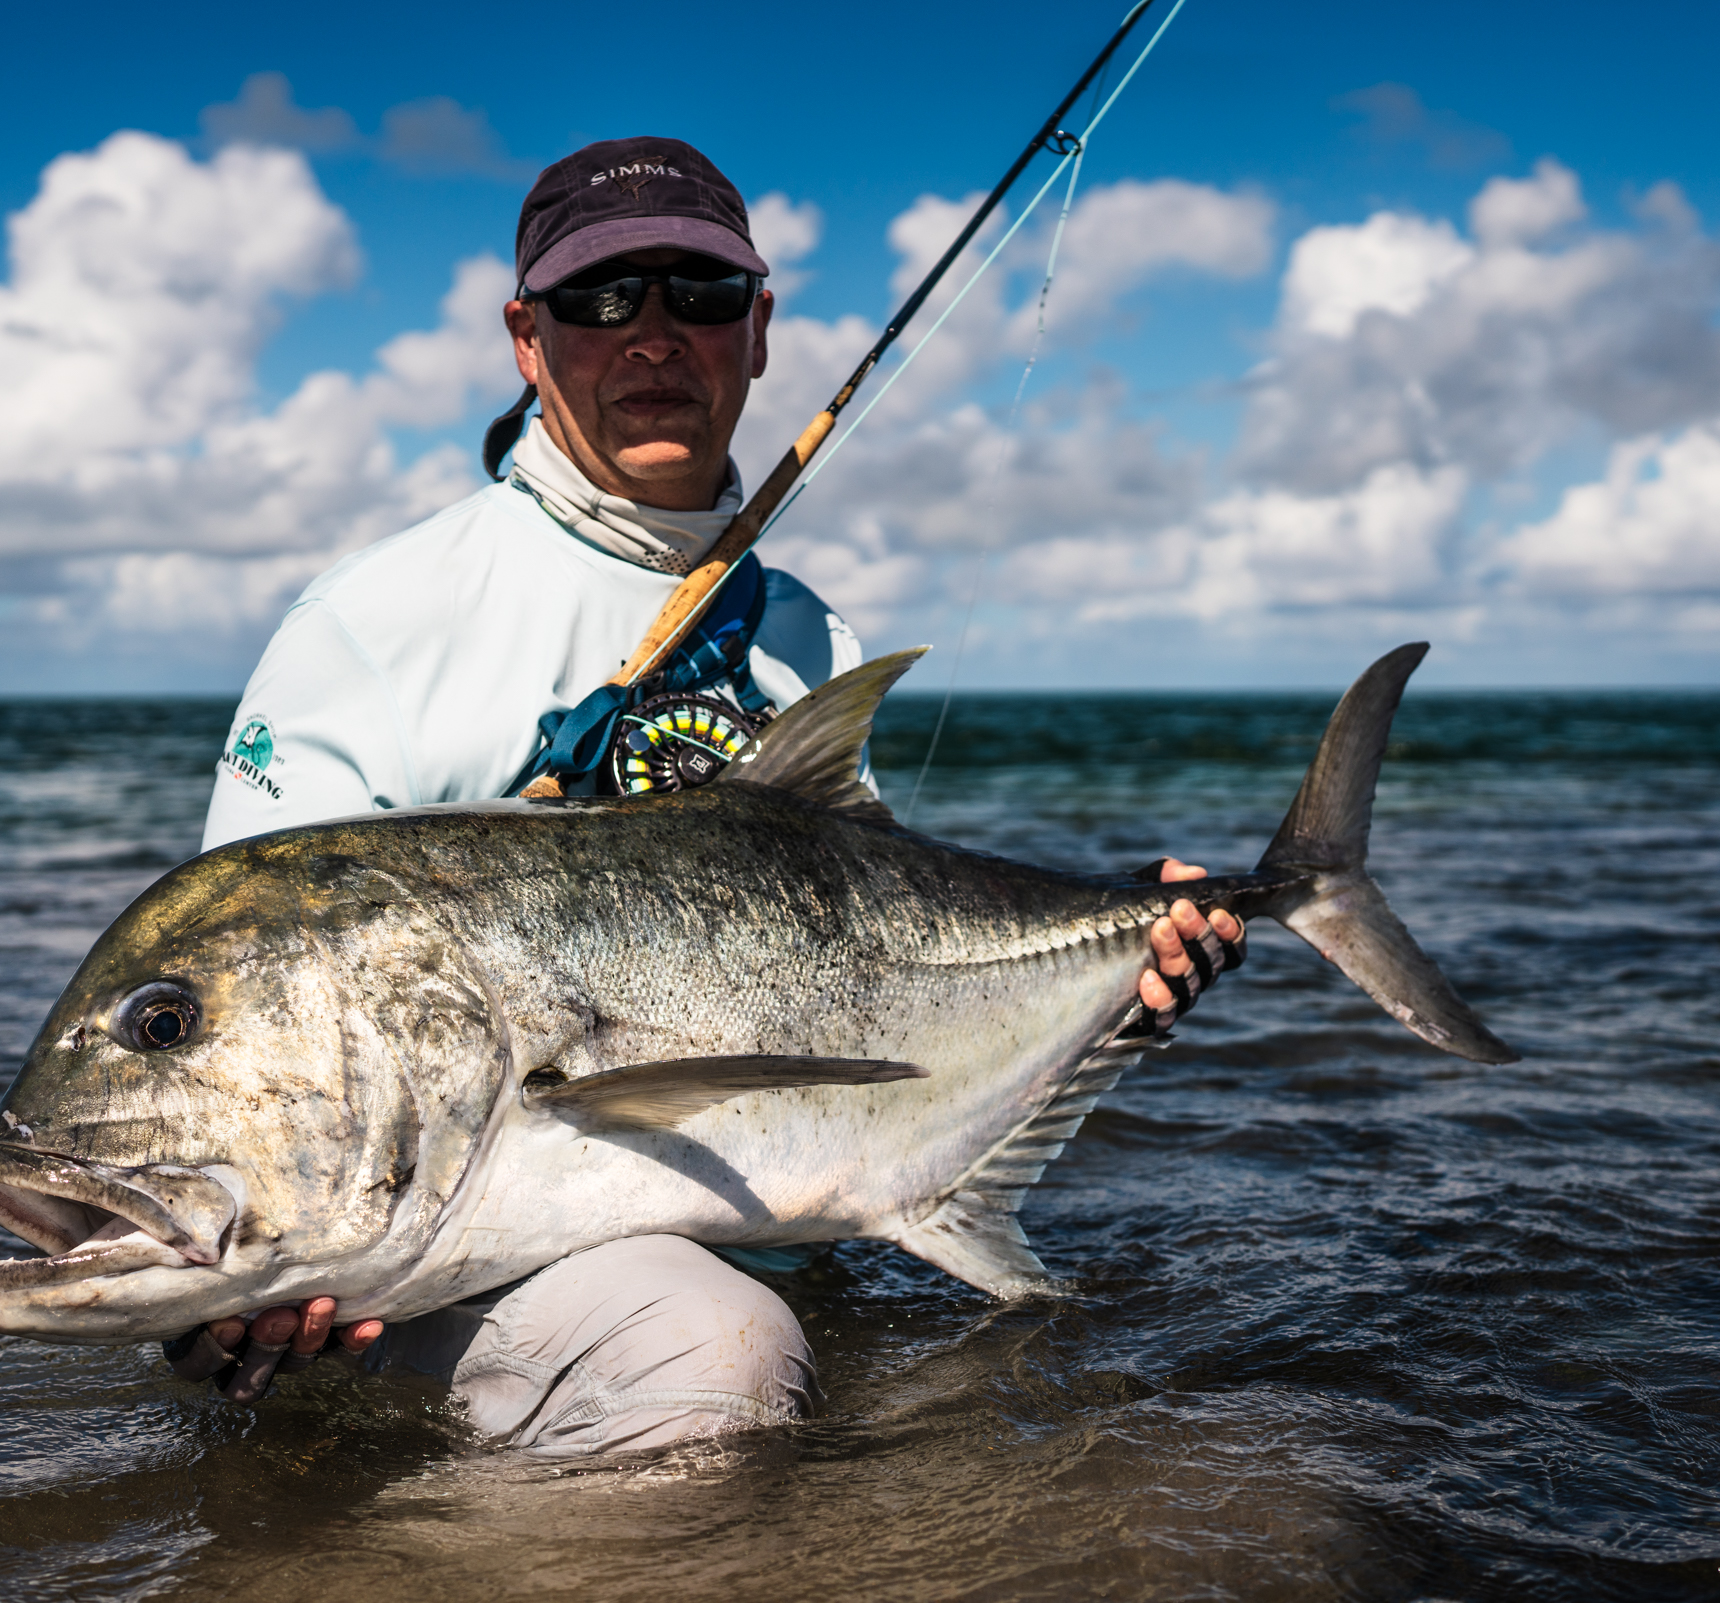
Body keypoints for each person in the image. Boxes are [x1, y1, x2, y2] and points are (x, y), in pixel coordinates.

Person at [172, 137, 1243, 1454]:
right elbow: (249, 1006)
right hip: (463, 1267)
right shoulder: (375, 625)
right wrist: (223, 1266)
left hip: (781, 1244)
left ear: (760, 328)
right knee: (713, 1346)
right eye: (598, 297)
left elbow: (879, 970)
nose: (653, 335)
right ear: (526, 339)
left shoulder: (804, 634)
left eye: (700, 292)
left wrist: (1117, 980)